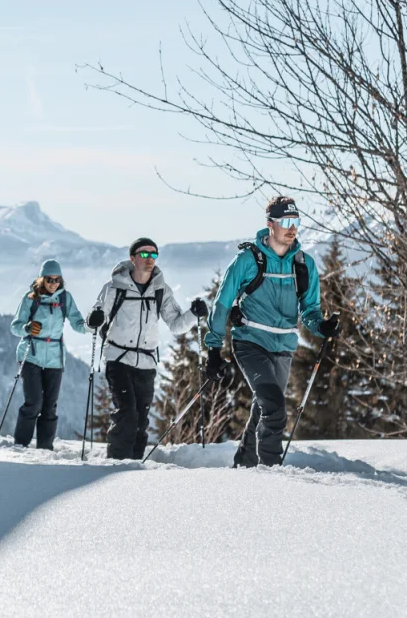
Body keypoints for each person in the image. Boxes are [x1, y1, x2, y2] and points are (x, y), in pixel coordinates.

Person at [205, 196, 340, 467]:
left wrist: (321, 326)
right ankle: (270, 474)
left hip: (283, 347)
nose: (292, 228)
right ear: (270, 224)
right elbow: (222, 304)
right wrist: (213, 350)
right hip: (250, 343)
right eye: (286, 222)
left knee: (265, 407)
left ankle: (244, 463)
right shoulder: (248, 260)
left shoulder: (304, 264)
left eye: (296, 222)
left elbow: (310, 310)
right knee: (275, 408)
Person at [86, 237, 208, 460]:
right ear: (133, 258)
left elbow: (176, 325)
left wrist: (194, 314)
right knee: (127, 414)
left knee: (141, 420)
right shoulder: (114, 288)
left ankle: (133, 467)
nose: (149, 259)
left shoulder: (161, 289)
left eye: (154, 254)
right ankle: (115, 464)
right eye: (144, 254)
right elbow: (95, 320)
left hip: (147, 362)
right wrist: (93, 319)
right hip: (118, 359)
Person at [10, 259, 86, 450]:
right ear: (42, 279)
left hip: (54, 358)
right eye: (49, 280)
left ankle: (45, 448)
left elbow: (78, 323)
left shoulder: (64, 299)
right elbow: (15, 327)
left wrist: (91, 327)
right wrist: (27, 328)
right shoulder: (30, 299)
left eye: (56, 280)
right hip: (31, 355)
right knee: (34, 403)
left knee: (50, 406)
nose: (53, 283)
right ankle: (21, 445)